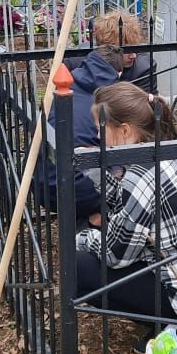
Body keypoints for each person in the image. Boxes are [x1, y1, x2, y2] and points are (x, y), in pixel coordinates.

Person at [76, 82, 177, 343]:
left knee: (79, 267)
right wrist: (98, 172)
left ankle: (176, 326)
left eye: (100, 129)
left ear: (125, 131)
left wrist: (83, 237)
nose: (97, 137)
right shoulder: (164, 152)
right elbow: (127, 210)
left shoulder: (139, 179)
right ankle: (168, 317)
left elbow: (115, 256)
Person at [39, 45, 124, 224]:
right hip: (69, 187)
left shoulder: (71, 86)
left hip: (42, 183)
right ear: (118, 73)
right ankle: (95, 222)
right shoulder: (108, 102)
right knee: (128, 174)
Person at [91, 10, 156, 92]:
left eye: (134, 48)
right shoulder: (79, 62)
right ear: (106, 48)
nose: (133, 55)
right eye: (126, 50)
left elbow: (148, 103)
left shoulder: (144, 68)